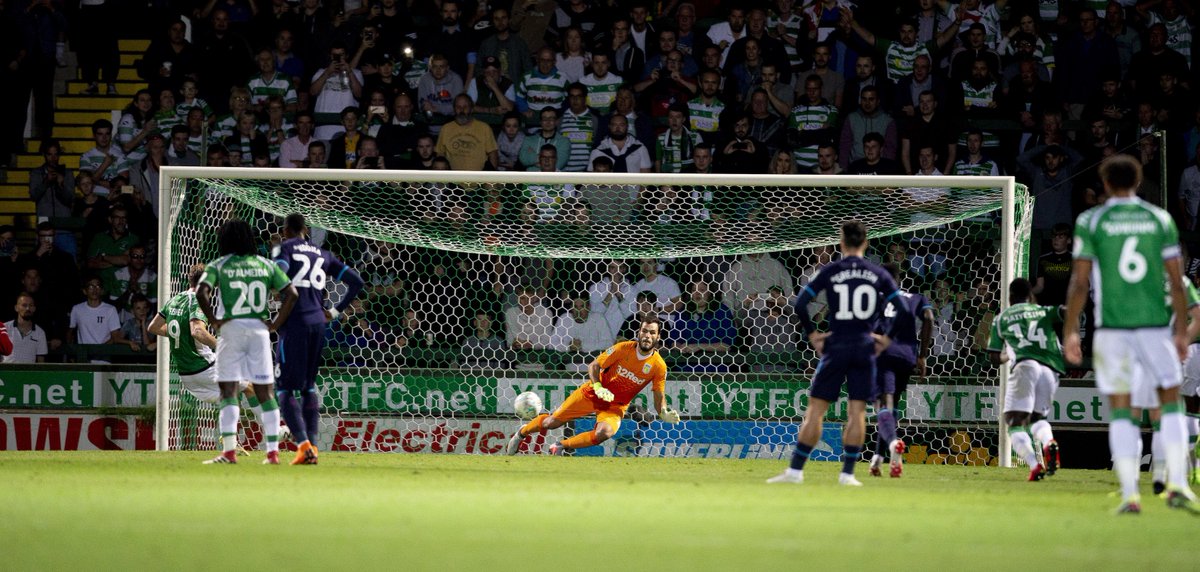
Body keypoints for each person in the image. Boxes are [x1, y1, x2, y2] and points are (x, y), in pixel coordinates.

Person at [1063, 155, 1196, 513]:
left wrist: (1071, 330)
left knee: (1122, 410)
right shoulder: (1159, 219)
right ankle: (1178, 485)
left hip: (1112, 329)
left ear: (1104, 184)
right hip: (1155, 328)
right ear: (1138, 183)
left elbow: (1079, 282)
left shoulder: (1092, 220)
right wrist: (1182, 331)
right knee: (1171, 405)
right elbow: (1177, 281)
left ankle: (1129, 493)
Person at [769, 220, 898, 486]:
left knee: (816, 411)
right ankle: (847, 475)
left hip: (836, 345)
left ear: (842, 242)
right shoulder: (878, 273)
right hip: (864, 348)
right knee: (857, 412)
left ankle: (795, 472)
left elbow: (802, 303)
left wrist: (813, 334)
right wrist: (885, 337)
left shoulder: (831, 270)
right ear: (865, 242)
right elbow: (902, 308)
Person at [196, 219, 298, 465]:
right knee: (265, 391)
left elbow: (201, 291)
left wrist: (214, 320)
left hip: (231, 329)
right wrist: (275, 324)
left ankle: (229, 452)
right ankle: (272, 453)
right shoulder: (265, 265)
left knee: (228, 390)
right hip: (259, 330)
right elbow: (292, 294)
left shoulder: (219, 265)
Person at [504, 315, 679, 455]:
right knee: (551, 422)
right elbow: (594, 365)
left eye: (652, 333)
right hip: (592, 393)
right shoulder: (623, 348)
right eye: (644, 331)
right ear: (639, 333)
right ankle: (521, 433)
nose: (647, 336)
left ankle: (561, 446)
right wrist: (598, 387)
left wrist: (663, 412)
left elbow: (658, 394)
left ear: (658, 337)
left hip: (615, 405)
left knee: (605, 433)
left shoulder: (659, 366)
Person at [273, 214, 365, 465]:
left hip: (295, 322)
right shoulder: (323, 254)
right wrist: (334, 312)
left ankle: (303, 446)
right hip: (318, 322)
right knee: (308, 386)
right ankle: (312, 446)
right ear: (305, 229)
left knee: (284, 387)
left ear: (286, 230)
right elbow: (356, 282)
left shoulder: (284, 248)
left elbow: (278, 274)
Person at [987, 277, 1065, 482]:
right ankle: (1048, 443)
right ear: (1030, 296)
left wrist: (1009, 355)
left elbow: (994, 357)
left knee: (1014, 422)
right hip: (1050, 370)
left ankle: (1034, 465)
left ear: (1010, 297)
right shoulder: (1044, 311)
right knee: (1037, 419)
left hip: (1025, 365)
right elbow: (1065, 311)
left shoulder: (1001, 319)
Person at [868, 263, 933, 479]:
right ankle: (878, 459)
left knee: (883, 405)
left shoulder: (877, 300)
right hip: (907, 356)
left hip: (884, 354)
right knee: (892, 406)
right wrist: (922, 355)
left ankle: (894, 443)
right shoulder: (916, 298)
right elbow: (929, 319)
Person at [4, 293, 41, 363]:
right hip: (6, 373)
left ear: (34, 309)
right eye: (24, 305)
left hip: (29, 373)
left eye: (31, 305)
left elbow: (41, 362)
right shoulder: (4, 329)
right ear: (16, 308)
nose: (27, 308)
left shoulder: (40, 332)